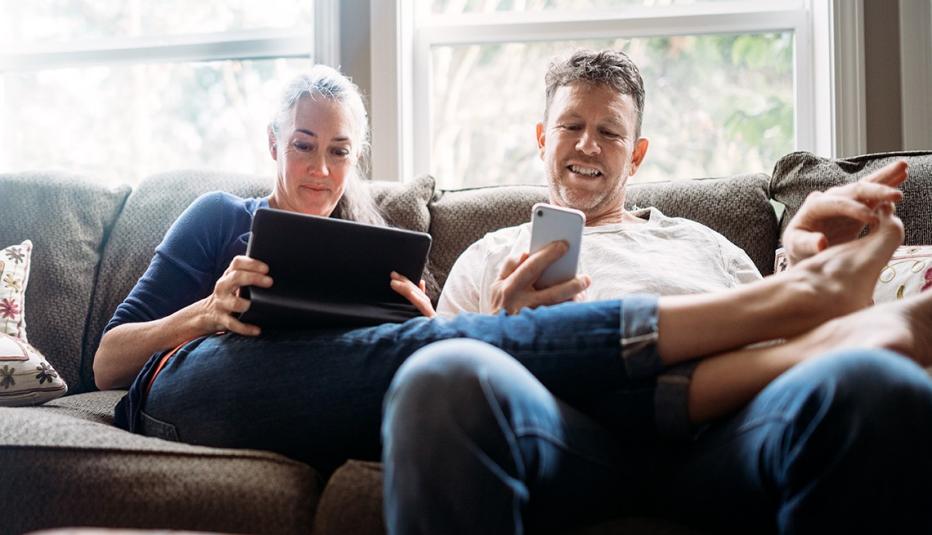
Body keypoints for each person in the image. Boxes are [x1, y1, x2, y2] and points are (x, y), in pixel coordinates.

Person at [94, 66, 931, 533]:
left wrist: (788, 262)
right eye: (571, 125)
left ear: (637, 151)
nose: (319, 166)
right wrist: (208, 310)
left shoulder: (705, 243)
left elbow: (387, 354)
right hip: (551, 434)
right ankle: (806, 320)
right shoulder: (227, 218)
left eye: (340, 150)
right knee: (452, 363)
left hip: (724, 429)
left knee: (437, 353)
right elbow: (109, 357)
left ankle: (796, 321)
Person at [436, 49, 761, 317]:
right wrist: (498, 331)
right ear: (542, 141)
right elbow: (443, 376)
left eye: (609, 133)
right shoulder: (486, 258)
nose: (588, 146)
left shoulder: (709, 249)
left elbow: (781, 347)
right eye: (571, 126)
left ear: (636, 156)